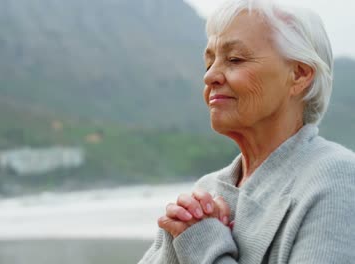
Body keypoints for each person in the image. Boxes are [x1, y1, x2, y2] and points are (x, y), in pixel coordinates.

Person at [138, 0, 355, 263]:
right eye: (209, 63)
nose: (210, 77)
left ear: (299, 74)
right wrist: (180, 237)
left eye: (235, 59)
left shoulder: (338, 179)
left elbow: (203, 247)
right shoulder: (206, 191)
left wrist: (204, 245)